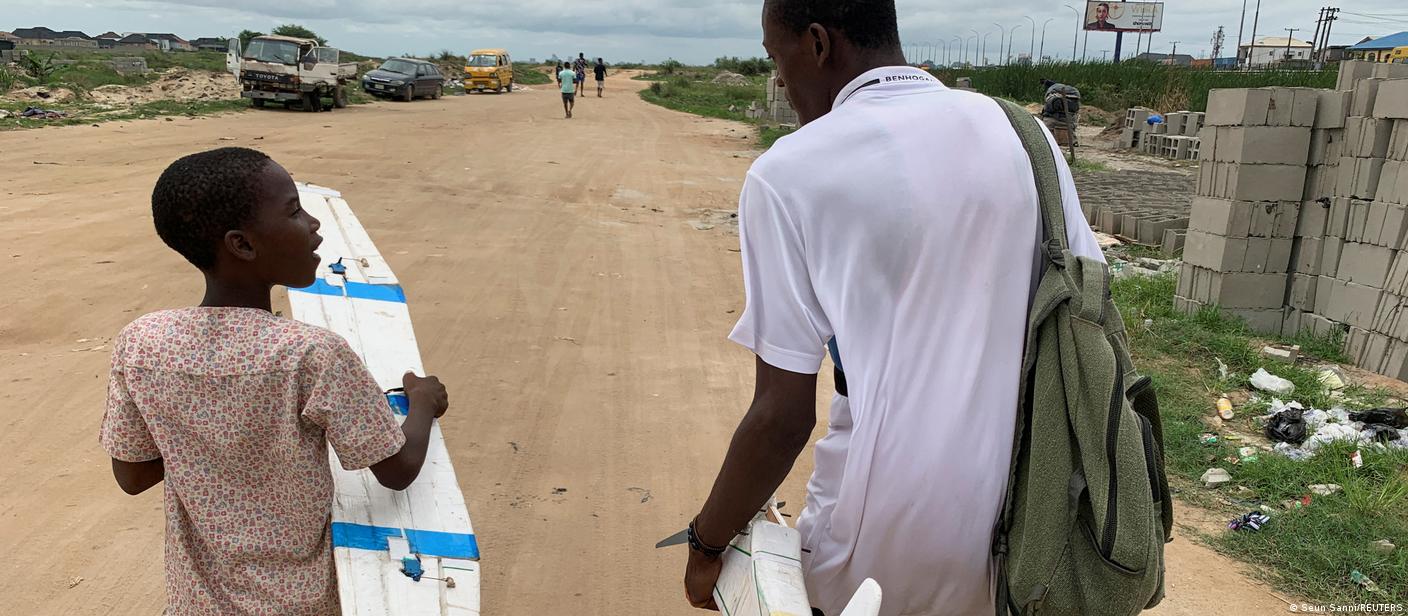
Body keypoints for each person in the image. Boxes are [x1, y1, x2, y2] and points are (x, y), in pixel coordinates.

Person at [681, 1, 1103, 615]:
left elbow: (781, 419)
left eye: (777, 57)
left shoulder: (787, 174)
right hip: (1028, 529)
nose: (779, 79)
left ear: (819, 44)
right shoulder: (1025, 135)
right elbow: (1087, 305)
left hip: (874, 548)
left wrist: (705, 541)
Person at [100, 147, 451, 615]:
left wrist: (203, 436)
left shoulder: (142, 344)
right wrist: (423, 401)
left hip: (195, 604)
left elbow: (134, 475)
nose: (314, 224)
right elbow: (397, 469)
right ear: (242, 245)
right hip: (299, 603)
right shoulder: (311, 354)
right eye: (293, 211)